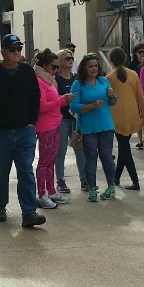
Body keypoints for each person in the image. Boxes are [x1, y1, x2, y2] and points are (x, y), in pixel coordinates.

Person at [0, 34, 46, 228]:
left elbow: (35, 98)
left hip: (24, 130)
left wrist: (32, 122)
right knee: (0, 172)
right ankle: (0, 205)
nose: (16, 52)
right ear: (3, 52)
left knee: (25, 169)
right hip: (0, 132)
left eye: (19, 49)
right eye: (12, 49)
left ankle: (29, 212)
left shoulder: (27, 72)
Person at [70, 53, 118, 203]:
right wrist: (91, 106)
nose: (94, 69)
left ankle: (111, 187)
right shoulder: (78, 84)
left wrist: (112, 96)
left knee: (107, 158)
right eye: (90, 66)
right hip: (88, 128)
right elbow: (73, 106)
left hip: (106, 126)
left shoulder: (104, 81)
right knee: (90, 159)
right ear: (84, 68)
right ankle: (92, 189)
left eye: (96, 66)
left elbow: (113, 103)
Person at [34, 48, 74, 209]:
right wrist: (62, 100)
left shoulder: (48, 80)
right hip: (45, 126)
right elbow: (41, 106)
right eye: (54, 67)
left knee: (51, 160)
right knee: (44, 161)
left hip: (54, 123)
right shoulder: (39, 81)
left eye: (58, 67)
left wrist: (61, 100)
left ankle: (50, 191)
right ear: (45, 66)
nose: (56, 70)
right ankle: (42, 194)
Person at [106, 47, 144, 191]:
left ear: (110, 60)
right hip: (132, 114)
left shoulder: (109, 78)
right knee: (124, 148)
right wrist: (143, 115)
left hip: (117, 117)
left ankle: (135, 181)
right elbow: (140, 97)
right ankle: (116, 177)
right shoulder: (133, 74)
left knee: (125, 149)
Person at [54, 48, 88, 193]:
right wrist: (65, 98)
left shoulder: (76, 78)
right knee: (61, 151)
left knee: (80, 149)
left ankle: (85, 180)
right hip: (62, 119)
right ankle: (60, 180)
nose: (70, 60)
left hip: (76, 118)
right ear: (60, 60)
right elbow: (54, 98)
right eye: (67, 57)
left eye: (72, 58)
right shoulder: (55, 79)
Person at [129, 43, 144, 148]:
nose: (142, 54)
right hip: (135, 93)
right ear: (135, 53)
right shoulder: (131, 65)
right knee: (138, 116)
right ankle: (140, 139)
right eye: (139, 52)